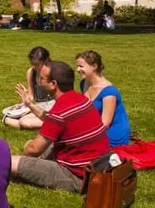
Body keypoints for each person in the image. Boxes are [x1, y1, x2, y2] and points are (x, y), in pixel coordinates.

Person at [11, 61, 110, 193]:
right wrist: (30, 104)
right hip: (99, 167)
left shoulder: (60, 111)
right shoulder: (81, 99)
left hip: (78, 177)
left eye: (41, 78)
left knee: (10, 162)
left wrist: (24, 162)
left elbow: (34, 149)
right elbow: (53, 120)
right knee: (44, 146)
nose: (38, 81)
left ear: (53, 84)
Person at [76, 50, 131, 147]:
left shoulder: (109, 92)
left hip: (112, 135)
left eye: (81, 66)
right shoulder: (84, 83)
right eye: (77, 66)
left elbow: (105, 124)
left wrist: (81, 133)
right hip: (95, 129)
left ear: (94, 66)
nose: (78, 69)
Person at [3, 47, 54, 130]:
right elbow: (31, 96)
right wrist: (25, 96)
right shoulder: (31, 72)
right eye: (32, 64)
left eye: (37, 64)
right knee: (12, 114)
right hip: (39, 106)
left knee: (23, 121)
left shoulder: (54, 71)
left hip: (53, 106)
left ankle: (54, 124)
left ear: (45, 60)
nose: (34, 66)